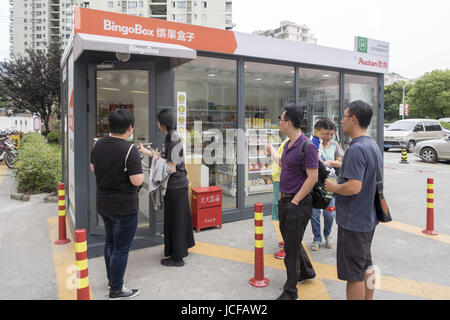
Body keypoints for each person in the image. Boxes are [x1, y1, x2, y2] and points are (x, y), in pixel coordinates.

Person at [325, 100, 382, 300]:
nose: (342, 121)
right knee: (367, 264)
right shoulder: (372, 144)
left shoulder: (356, 149)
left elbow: (353, 186)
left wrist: (333, 187)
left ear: (354, 119)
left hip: (353, 221)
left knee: (354, 275)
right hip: (368, 217)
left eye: (344, 117)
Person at [90, 108, 143, 300]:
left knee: (110, 242)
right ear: (129, 128)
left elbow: (93, 167)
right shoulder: (129, 150)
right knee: (121, 248)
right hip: (124, 207)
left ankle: (112, 279)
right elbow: (137, 181)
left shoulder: (98, 144)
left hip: (104, 203)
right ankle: (117, 289)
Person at [138, 108, 195, 267]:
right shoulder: (170, 137)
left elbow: (171, 168)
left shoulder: (173, 140)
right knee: (180, 219)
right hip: (178, 185)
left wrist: (155, 171)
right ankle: (182, 248)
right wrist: (146, 151)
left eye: (158, 121)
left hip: (175, 187)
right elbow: (161, 158)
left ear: (162, 124)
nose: (157, 123)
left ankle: (177, 258)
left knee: (175, 221)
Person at [276, 107, 318, 300]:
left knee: (290, 250)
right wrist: (282, 198)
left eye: (281, 119)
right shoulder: (287, 144)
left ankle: (291, 292)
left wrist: (294, 200)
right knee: (292, 243)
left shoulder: (307, 146)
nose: (279, 123)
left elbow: (312, 178)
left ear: (289, 123)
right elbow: (286, 169)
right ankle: (305, 272)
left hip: (298, 203)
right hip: (285, 200)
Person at [310, 120, 343, 251]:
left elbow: (340, 162)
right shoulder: (314, 144)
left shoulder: (335, 145)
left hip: (331, 183)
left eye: (331, 134)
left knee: (329, 213)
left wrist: (328, 162)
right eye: (326, 133)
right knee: (315, 213)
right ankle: (317, 238)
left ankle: (328, 235)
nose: (328, 136)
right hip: (316, 183)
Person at [266, 137, 289, 259]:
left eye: (283, 121)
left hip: (282, 181)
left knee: (284, 213)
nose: (280, 123)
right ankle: (286, 242)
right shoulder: (289, 140)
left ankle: (287, 247)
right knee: (281, 212)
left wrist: (272, 150)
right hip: (279, 180)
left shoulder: (291, 142)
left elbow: (281, 161)